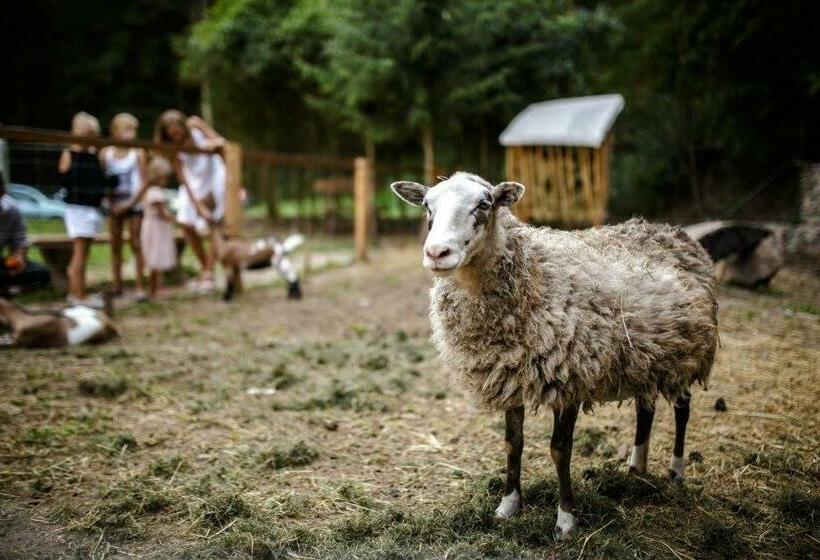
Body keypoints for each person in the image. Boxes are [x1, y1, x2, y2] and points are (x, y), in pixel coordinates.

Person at [154, 110, 226, 292]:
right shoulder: (172, 148)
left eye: (179, 133)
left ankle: (208, 273)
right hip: (192, 182)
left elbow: (221, 142)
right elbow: (182, 177)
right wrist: (197, 205)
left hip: (213, 175)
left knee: (213, 223)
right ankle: (205, 267)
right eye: (172, 135)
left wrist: (211, 144)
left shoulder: (195, 124)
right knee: (186, 224)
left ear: (184, 127)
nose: (177, 137)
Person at [58, 111, 112, 308]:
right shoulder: (69, 154)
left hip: (92, 208)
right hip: (77, 209)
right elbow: (64, 179)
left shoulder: (94, 156)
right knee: (79, 254)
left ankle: (79, 293)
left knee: (84, 254)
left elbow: (101, 181)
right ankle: (78, 296)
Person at [100, 113, 147, 300]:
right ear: (115, 131)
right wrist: (111, 203)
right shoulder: (106, 154)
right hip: (113, 205)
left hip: (134, 204)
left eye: (134, 130)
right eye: (128, 129)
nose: (132, 133)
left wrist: (129, 204)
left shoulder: (138, 153)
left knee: (136, 243)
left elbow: (144, 182)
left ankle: (139, 285)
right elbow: (102, 180)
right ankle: (117, 284)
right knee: (115, 245)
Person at [0, 172, 50, 296]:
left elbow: (20, 242)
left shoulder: (11, 209)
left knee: (40, 272)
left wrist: (19, 259)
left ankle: (8, 290)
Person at [140, 158, 177, 298]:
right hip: (157, 229)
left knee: (154, 260)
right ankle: (158, 288)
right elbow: (160, 212)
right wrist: (171, 219)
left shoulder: (150, 191)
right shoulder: (156, 192)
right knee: (158, 258)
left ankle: (153, 288)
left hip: (153, 227)